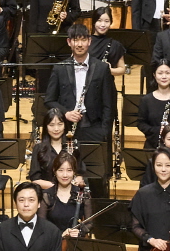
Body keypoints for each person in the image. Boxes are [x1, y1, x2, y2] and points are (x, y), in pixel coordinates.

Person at [39, 24, 116, 155]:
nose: (80, 44)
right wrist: (66, 113)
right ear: (69, 42)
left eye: (83, 40)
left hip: (94, 128)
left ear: (89, 41)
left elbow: (109, 103)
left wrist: (105, 131)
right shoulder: (59, 68)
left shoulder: (102, 68)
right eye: (76, 40)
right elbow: (49, 100)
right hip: (66, 127)